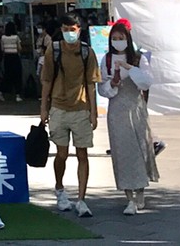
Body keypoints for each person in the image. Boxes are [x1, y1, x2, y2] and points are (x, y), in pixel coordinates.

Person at [97, 18, 157, 215]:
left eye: (121, 38)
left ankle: (140, 190)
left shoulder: (139, 58)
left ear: (127, 39)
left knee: (140, 149)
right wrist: (112, 83)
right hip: (117, 110)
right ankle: (129, 196)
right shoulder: (106, 60)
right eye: (114, 38)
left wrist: (130, 68)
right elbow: (102, 89)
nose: (117, 41)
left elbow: (147, 82)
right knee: (122, 152)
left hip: (136, 107)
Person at [39, 13, 97, 218]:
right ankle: (60, 189)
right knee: (61, 154)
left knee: (83, 154)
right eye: (65, 29)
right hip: (58, 107)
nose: (69, 33)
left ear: (79, 30)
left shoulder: (86, 52)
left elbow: (91, 83)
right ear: (61, 29)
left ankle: (82, 199)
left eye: (72, 29)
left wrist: (94, 112)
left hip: (81, 108)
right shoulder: (53, 50)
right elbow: (46, 80)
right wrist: (44, 108)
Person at [0, 20, 23, 103]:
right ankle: (17, 95)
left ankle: (1, 93)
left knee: (7, 75)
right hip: (15, 57)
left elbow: (2, 49)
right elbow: (19, 48)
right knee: (17, 75)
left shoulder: (3, 37)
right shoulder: (16, 37)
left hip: (7, 57)